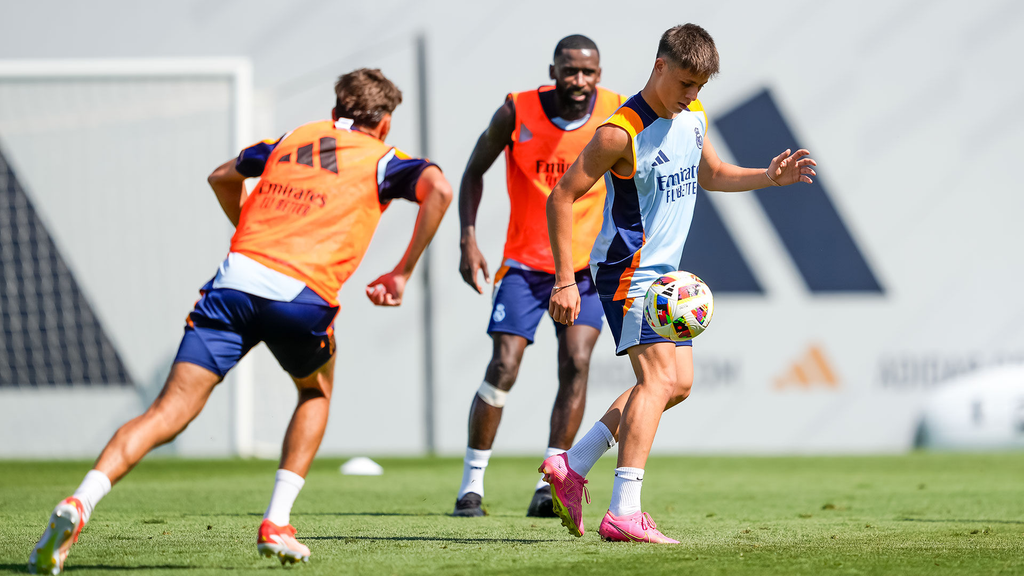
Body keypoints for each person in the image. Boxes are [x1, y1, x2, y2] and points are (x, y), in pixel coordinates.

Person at [28, 68, 452, 574]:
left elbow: (221, 177)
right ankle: (276, 522)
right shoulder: (385, 158)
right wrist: (401, 273)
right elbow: (440, 191)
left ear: (336, 108)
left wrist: (253, 231)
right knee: (315, 392)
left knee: (168, 411)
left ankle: (80, 501)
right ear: (384, 123)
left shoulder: (289, 140)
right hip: (300, 294)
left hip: (234, 282)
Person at [541, 24, 816, 543]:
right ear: (659, 66)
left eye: (700, 87)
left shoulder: (692, 117)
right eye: (684, 83)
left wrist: (768, 177)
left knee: (677, 386)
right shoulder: (619, 132)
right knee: (657, 382)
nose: (690, 95)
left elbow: (710, 174)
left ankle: (572, 466)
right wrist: (563, 281)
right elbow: (560, 196)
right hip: (628, 271)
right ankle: (624, 511)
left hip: (667, 278)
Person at [453, 35, 624, 518]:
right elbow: (473, 171)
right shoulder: (517, 111)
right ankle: (472, 486)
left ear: (600, 73)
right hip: (525, 266)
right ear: (553, 70)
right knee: (504, 365)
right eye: (570, 70)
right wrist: (467, 237)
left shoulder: (617, 112)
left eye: (589, 72)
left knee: (576, 362)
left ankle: (549, 485)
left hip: (586, 269)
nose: (579, 81)